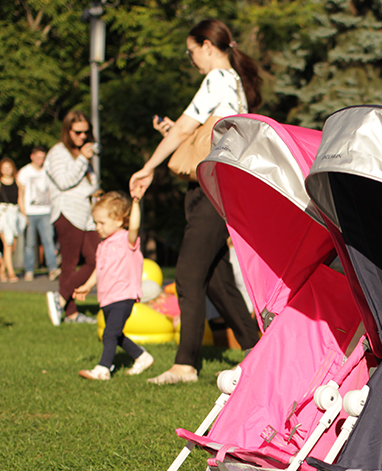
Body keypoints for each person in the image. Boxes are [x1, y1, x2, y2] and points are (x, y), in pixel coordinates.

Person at [129, 19, 260, 385]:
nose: (192, 60)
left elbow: (188, 129)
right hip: (221, 189)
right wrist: (175, 131)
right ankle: (258, 351)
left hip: (211, 191)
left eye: (191, 52)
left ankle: (185, 365)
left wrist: (148, 167)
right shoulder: (235, 84)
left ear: (207, 46)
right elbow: (202, 133)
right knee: (217, 278)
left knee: (187, 274)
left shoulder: (217, 79)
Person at [73, 192, 154, 380]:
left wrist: (135, 202)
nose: (97, 227)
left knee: (110, 333)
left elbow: (134, 226)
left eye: (102, 223)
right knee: (114, 334)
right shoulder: (103, 245)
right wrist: (87, 285)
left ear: (119, 220)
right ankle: (142, 356)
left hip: (123, 296)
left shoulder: (127, 239)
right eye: (96, 223)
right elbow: (99, 269)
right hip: (107, 298)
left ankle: (103, 369)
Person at [44, 110, 99, 325]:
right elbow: (64, 182)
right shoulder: (58, 152)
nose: (83, 136)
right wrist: (83, 159)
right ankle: (70, 312)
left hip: (87, 215)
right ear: (67, 131)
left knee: (97, 259)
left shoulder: (82, 153)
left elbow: (89, 183)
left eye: (86, 132)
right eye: (77, 132)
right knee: (70, 263)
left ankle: (60, 300)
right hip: (67, 212)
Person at [17, 147, 59, 282]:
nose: (41, 160)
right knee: (30, 244)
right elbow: (21, 194)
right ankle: (29, 270)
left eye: (43, 158)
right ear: (32, 157)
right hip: (30, 212)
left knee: (48, 242)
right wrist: (23, 213)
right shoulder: (25, 172)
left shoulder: (48, 170)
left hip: (46, 212)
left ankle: (52, 269)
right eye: (38, 157)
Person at [0, 157, 25, 283]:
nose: (7, 170)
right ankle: (11, 273)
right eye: (4, 168)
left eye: (9, 167)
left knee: (11, 246)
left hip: (14, 215)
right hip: (2, 216)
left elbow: (20, 200)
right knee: (7, 244)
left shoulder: (17, 183)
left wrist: (24, 215)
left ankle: (2, 270)